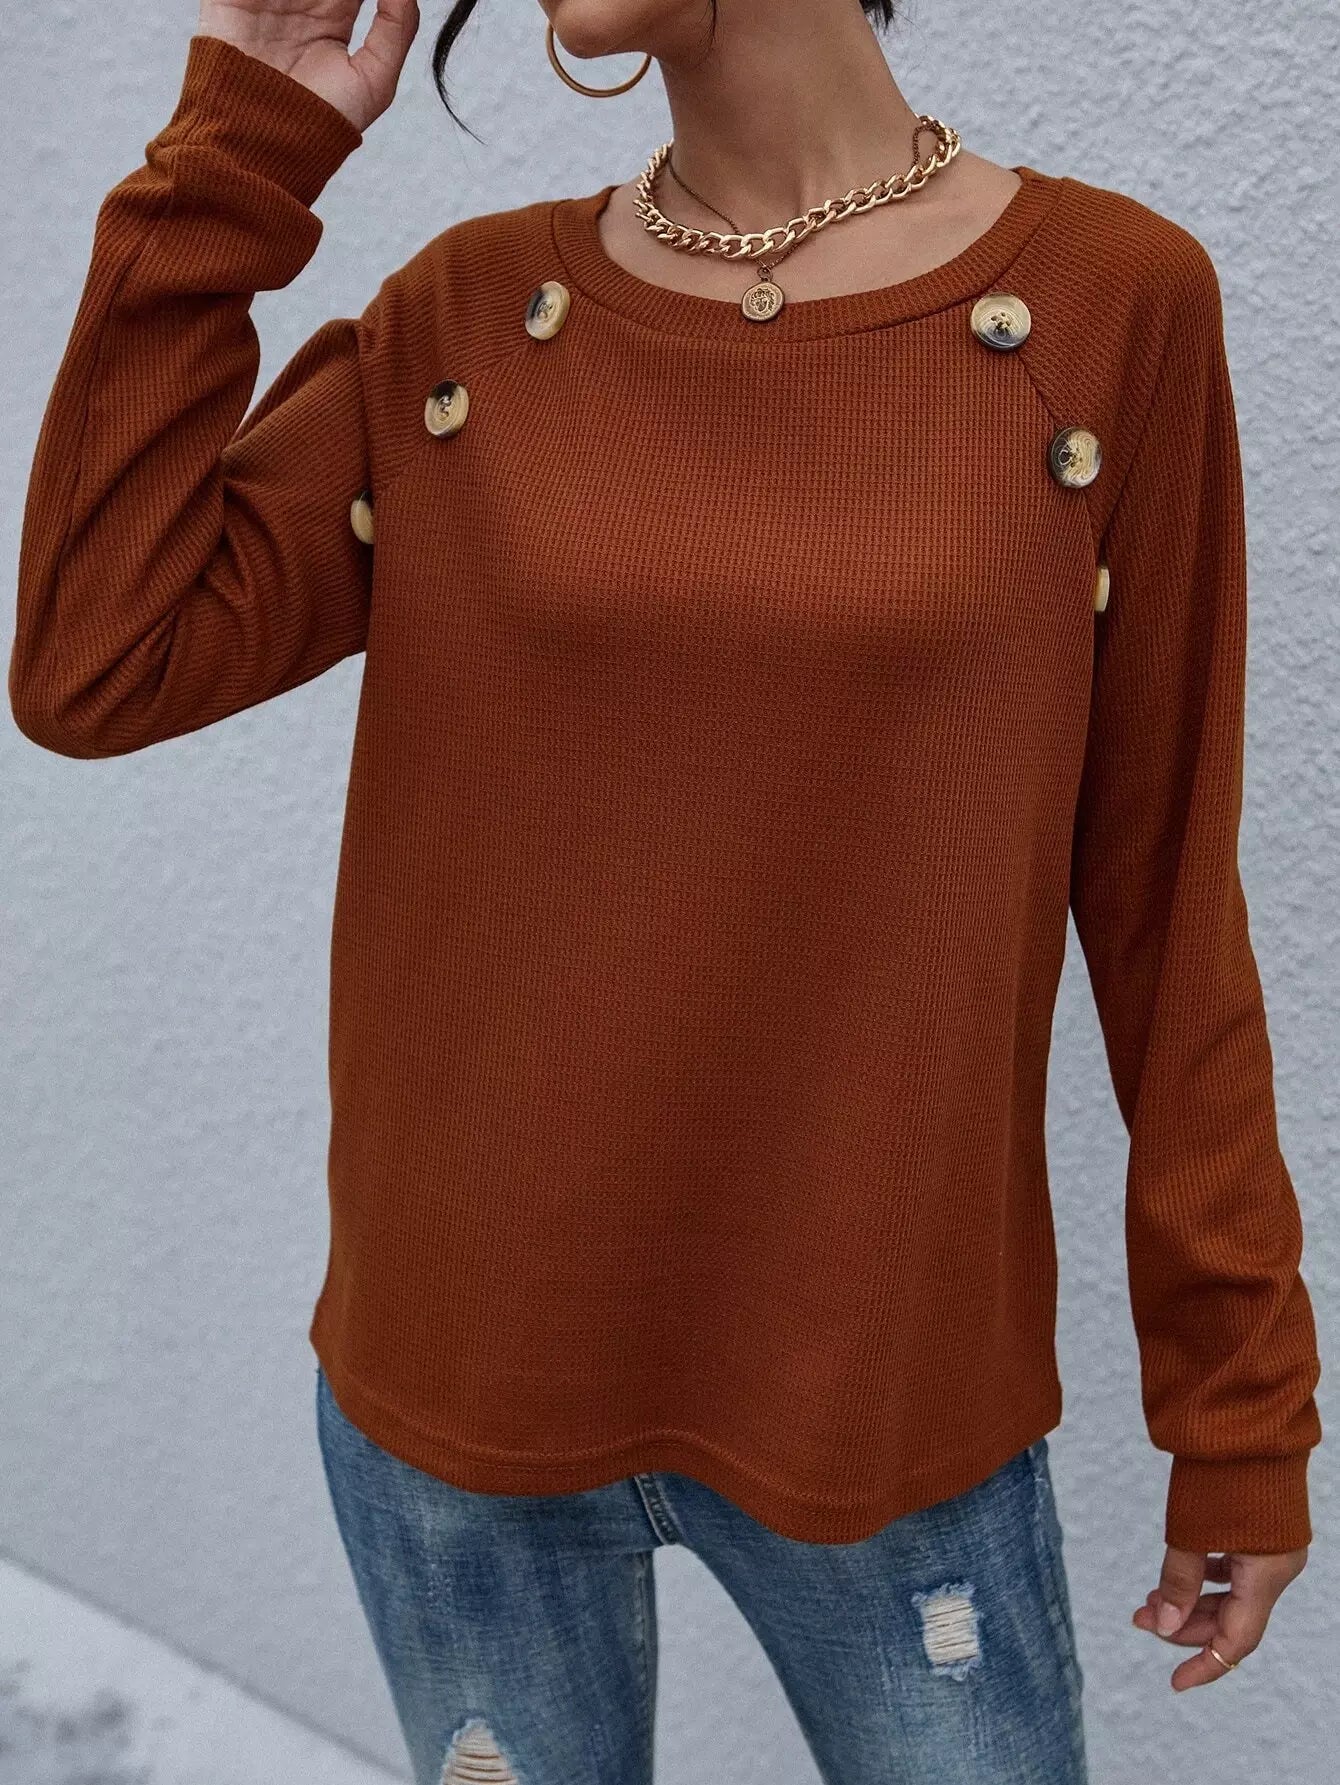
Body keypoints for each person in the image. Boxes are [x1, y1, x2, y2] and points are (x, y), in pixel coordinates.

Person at [9, 0, 1321, 1779]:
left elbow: (1168, 899)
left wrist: (1239, 1405)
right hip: (455, 1391)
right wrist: (245, 145)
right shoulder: (466, 325)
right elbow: (95, 657)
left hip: (882, 1401)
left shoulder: (1108, 309)